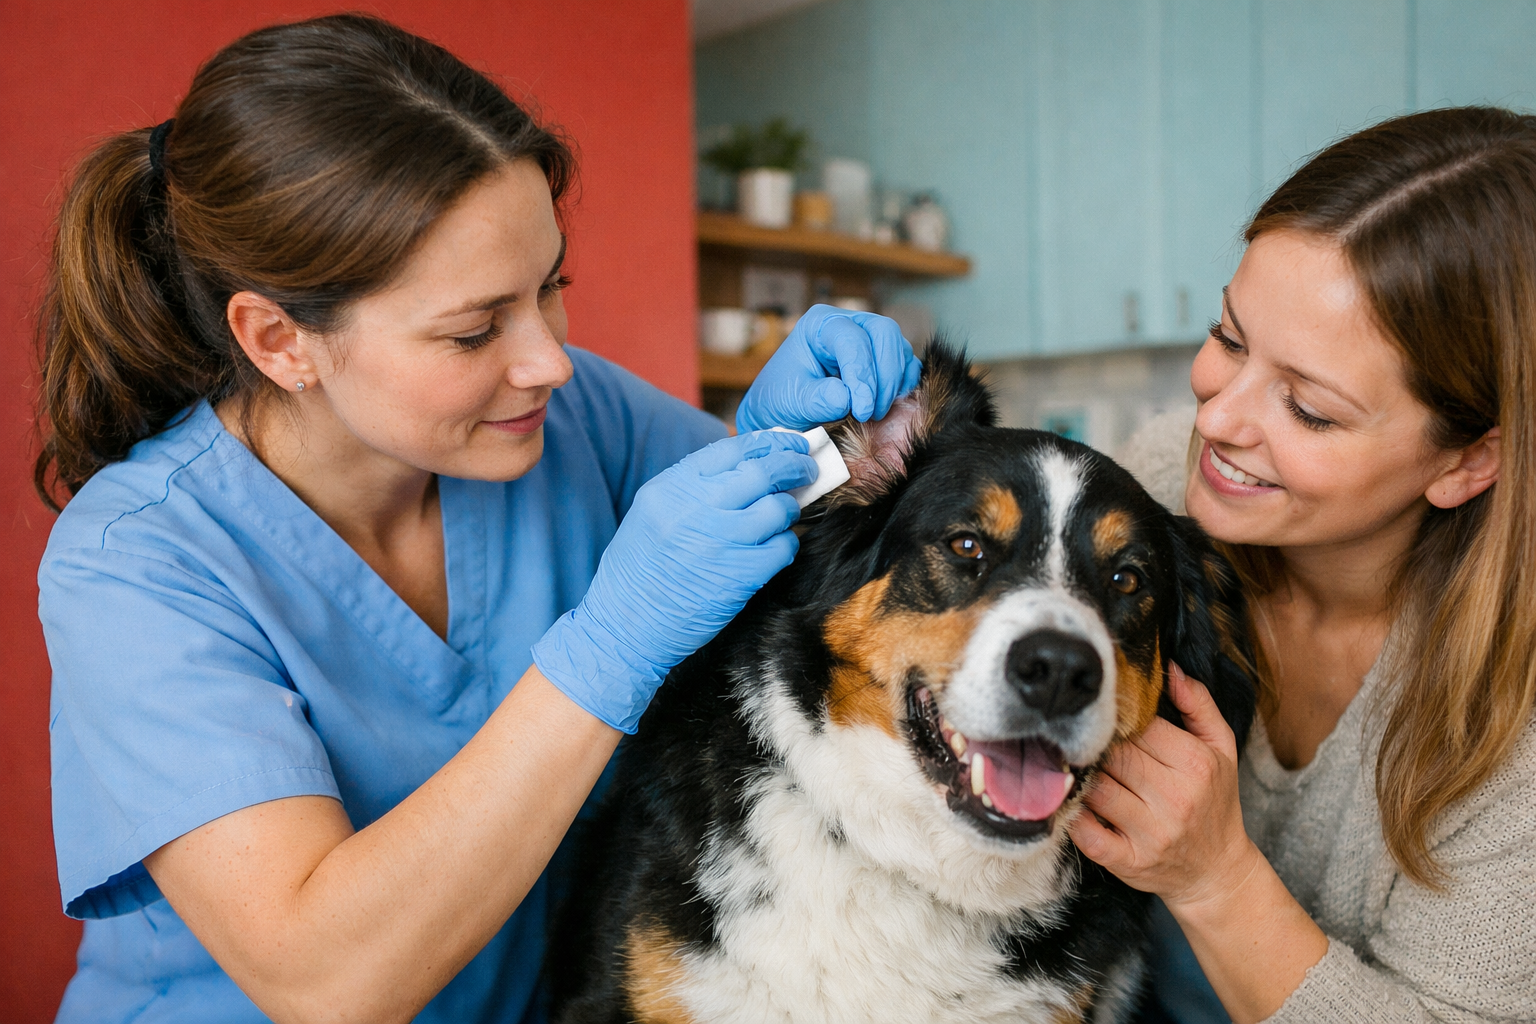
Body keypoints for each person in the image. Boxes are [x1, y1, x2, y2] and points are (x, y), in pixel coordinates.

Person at [35, 15, 919, 1024]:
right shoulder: (137, 563)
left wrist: (799, 457)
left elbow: (807, 577)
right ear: (279, 339)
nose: (547, 358)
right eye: (473, 328)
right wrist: (610, 647)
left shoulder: (574, 417)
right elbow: (326, 979)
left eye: (552, 288)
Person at [1075, 106, 1536, 1023]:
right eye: (1229, 339)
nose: (1219, 420)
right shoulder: (1164, 486)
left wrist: (1213, 879)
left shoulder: (1516, 725)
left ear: (1466, 461)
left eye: (1310, 410)